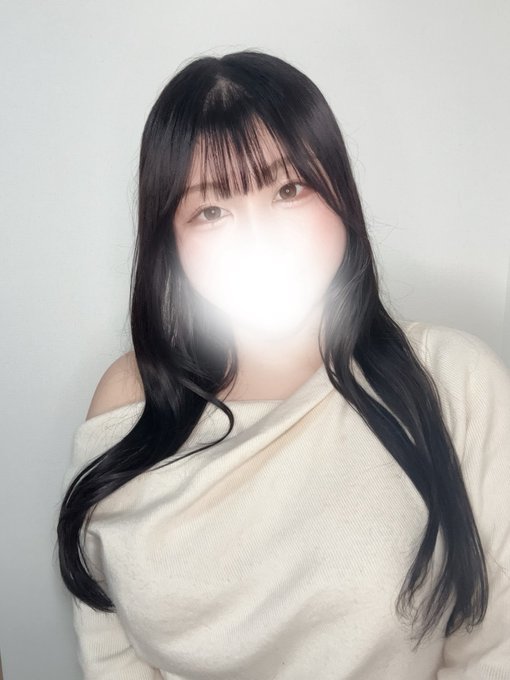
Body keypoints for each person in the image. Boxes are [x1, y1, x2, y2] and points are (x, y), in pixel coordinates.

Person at [57, 50, 510, 679]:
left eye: (289, 189)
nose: (259, 238)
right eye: (211, 211)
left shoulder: (454, 380)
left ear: (340, 194)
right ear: (171, 244)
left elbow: (494, 649)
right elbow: (108, 640)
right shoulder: (130, 396)